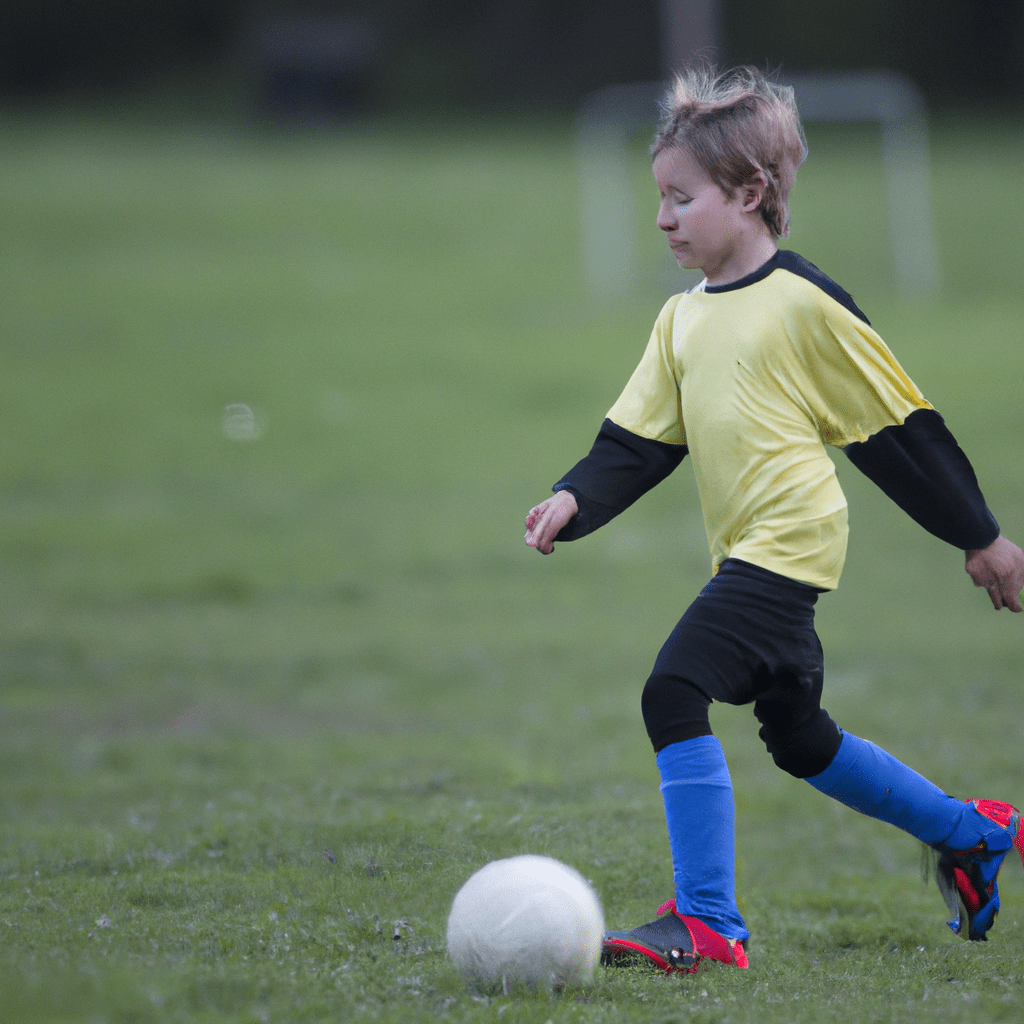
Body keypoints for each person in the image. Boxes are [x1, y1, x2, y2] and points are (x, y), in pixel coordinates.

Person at [524, 65, 1024, 973]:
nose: (664, 218)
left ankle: (707, 922)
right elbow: (637, 438)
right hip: (744, 557)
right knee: (801, 740)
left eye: (683, 198)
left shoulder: (803, 303)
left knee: (671, 690)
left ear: (751, 193)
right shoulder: (680, 320)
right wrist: (574, 496)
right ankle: (973, 834)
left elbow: (900, 432)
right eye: (659, 199)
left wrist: (980, 537)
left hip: (788, 545)